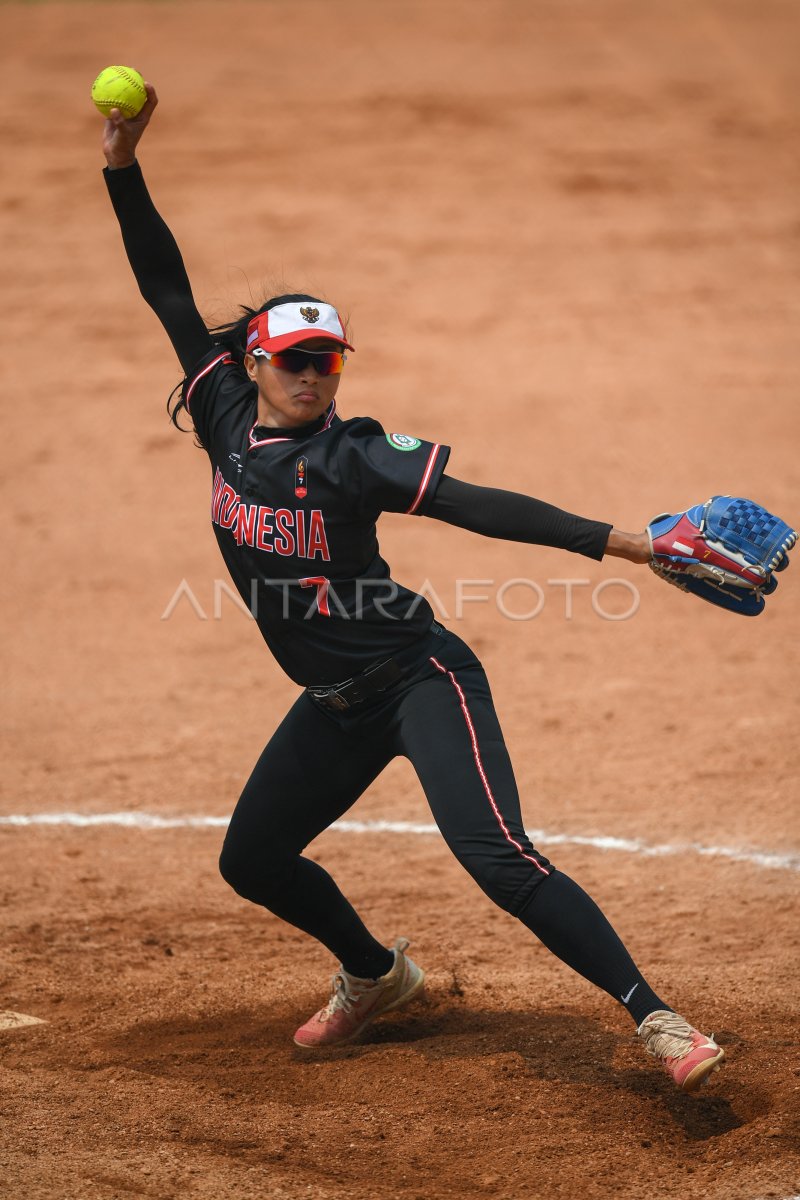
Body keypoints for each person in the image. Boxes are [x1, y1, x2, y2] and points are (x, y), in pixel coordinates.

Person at [99, 83, 724, 1094]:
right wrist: (121, 166)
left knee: (496, 859)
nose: (314, 377)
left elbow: (480, 505)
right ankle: (374, 975)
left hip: (419, 676)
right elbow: (164, 288)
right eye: (296, 362)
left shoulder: (357, 455)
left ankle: (655, 1020)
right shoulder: (219, 409)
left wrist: (627, 544)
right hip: (333, 706)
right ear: (254, 363)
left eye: (328, 362)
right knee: (253, 860)